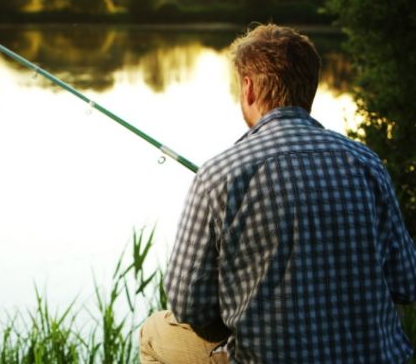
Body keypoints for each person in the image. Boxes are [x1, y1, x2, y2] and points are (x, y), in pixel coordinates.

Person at [139, 23, 416, 364]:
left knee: (153, 332)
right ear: (310, 89)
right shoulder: (367, 163)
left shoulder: (220, 173)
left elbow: (187, 304)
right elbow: (407, 281)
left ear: (249, 87)